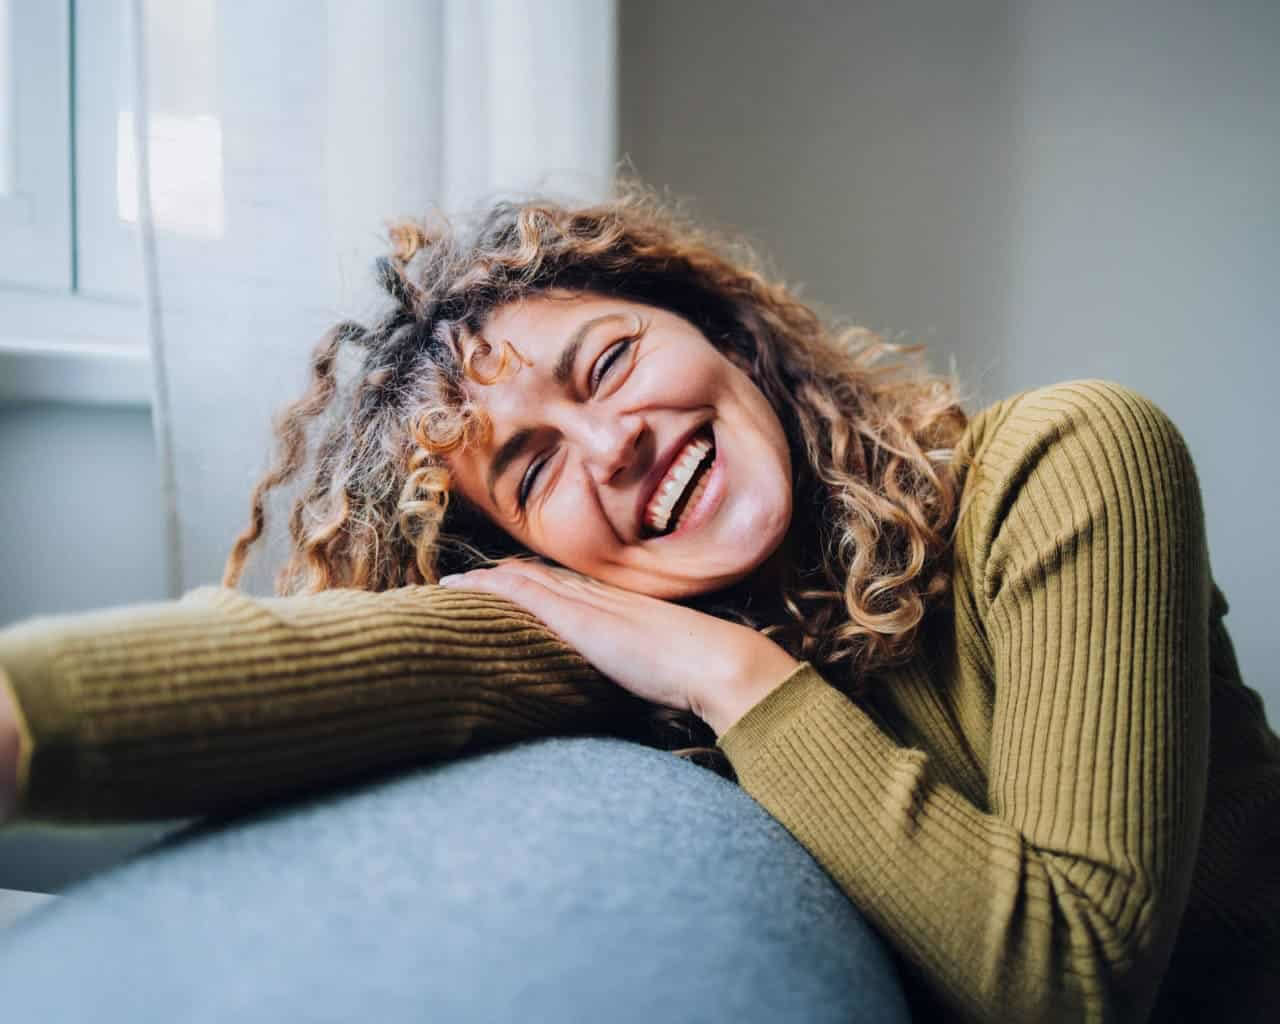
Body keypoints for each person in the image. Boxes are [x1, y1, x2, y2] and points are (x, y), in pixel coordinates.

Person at [1, 191, 1278, 1021]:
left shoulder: (1065, 463)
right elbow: (358, 657)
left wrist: (736, 677)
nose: (608, 445)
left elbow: (1074, 982)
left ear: (717, 328)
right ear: (522, 548)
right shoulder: (618, 638)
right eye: (534, 467)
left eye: (608, 361)